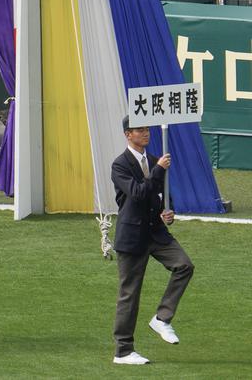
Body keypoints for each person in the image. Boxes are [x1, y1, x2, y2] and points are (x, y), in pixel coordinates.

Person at [111, 117, 194, 365]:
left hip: (156, 233)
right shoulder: (120, 165)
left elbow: (160, 194)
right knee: (130, 294)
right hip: (132, 237)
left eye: (147, 129)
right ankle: (123, 351)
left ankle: (162, 318)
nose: (145, 133)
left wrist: (167, 211)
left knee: (184, 266)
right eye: (140, 130)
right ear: (128, 134)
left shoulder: (155, 159)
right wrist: (158, 169)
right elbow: (137, 193)